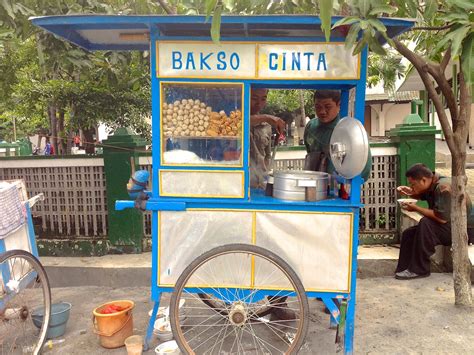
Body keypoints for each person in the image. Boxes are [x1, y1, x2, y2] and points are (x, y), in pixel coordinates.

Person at [395, 163, 474, 280]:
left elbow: (441, 218)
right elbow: (425, 194)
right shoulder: (433, 182)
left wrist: (415, 208)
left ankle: (419, 270)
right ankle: (404, 268)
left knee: (425, 223)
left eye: (413, 184)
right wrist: (411, 192)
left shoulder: (443, 187)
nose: (412, 186)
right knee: (408, 234)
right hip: (449, 225)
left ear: (423, 180)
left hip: (463, 230)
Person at [304, 89, 371, 181]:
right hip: (313, 185)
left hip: (338, 187)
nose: (322, 111)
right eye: (318, 107)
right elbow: (309, 153)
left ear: (338, 105)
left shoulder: (349, 131)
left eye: (328, 107)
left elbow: (364, 169)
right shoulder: (310, 127)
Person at [249, 88, 285, 188]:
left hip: (259, 184)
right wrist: (267, 117)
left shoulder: (266, 126)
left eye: (263, 99)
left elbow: (267, 156)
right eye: (254, 98)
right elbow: (241, 121)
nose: (258, 103)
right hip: (239, 183)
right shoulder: (234, 119)